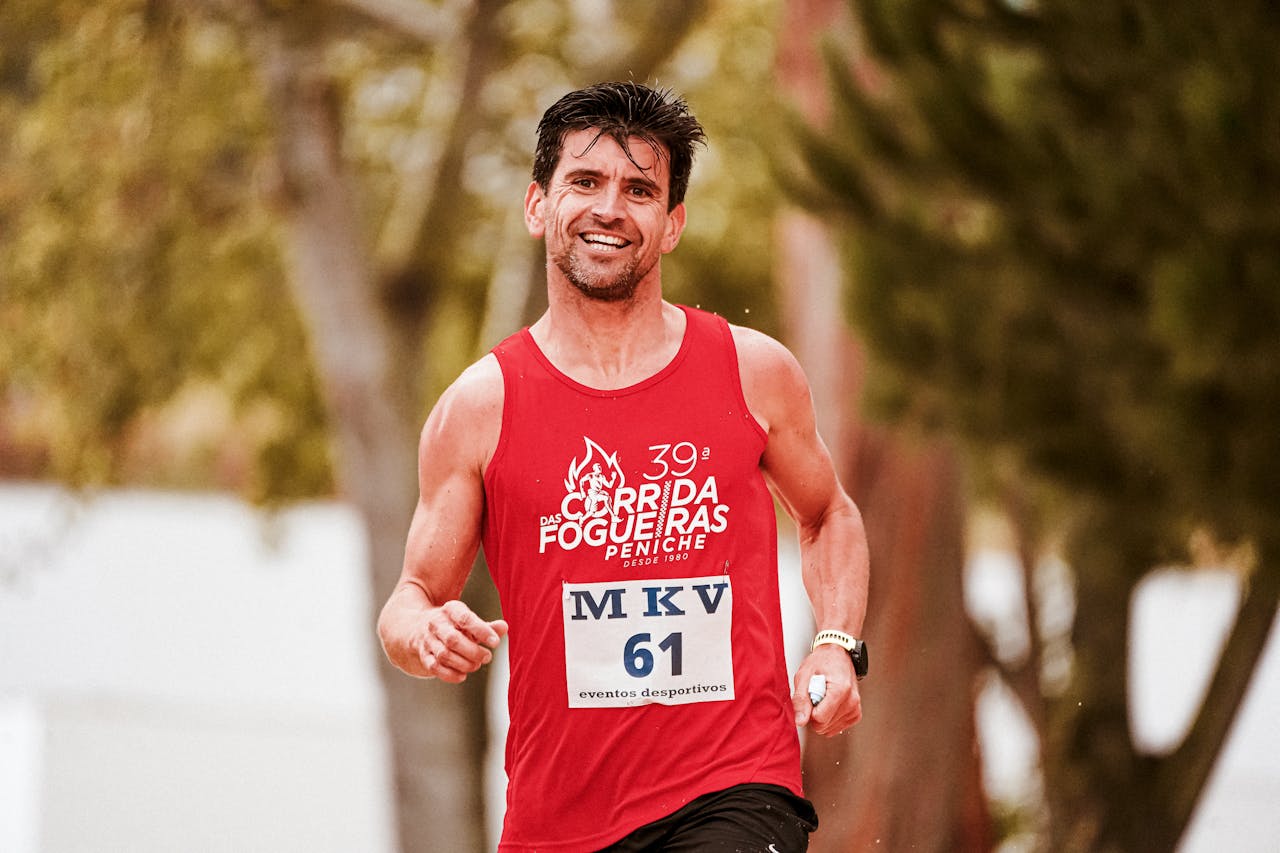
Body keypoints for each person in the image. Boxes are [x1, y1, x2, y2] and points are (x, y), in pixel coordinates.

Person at [378, 81, 870, 852]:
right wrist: (425, 633)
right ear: (538, 205)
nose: (611, 207)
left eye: (639, 189)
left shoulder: (753, 372)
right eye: (585, 181)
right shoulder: (480, 406)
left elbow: (828, 512)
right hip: (557, 819)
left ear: (671, 224)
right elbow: (407, 602)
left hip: (736, 788)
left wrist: (837, 642)